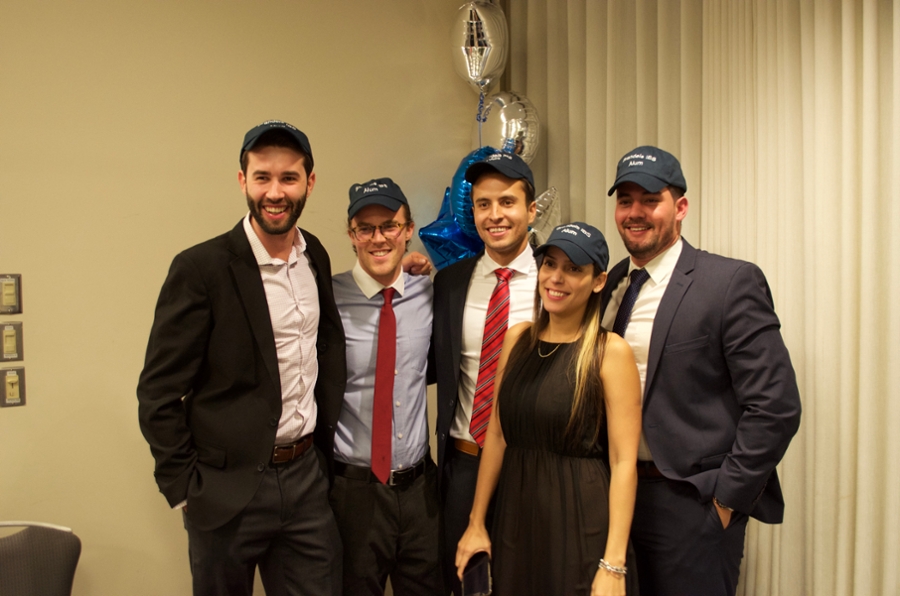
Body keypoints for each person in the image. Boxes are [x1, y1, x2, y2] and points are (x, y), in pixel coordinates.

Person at [601, 146, 802, 596]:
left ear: (681, 208)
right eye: (625, 200)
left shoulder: (728, 282)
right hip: (617, 500)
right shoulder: (610, 283)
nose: (635, 212)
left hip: (691, 506)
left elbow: (776, 406)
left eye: (650, 199)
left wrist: (726, 499)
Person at [455, 222, 642, 596]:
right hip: (516, 518)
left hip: (580, 524)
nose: (556, 278)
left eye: (574, 269)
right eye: (550, 264)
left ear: (598, 281)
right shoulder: (517, 339)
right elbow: (496, 433)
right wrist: (477, 522)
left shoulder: (610, 352)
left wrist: (614, 563)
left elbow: (624, 462)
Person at [329, 178, 443, 595]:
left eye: (389, 226)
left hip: (420, 494)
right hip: (353, 493)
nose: (378, 238)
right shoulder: (327, 299)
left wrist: (425, 267)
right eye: (366, 228)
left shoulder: (429, 294)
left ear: (408, 229)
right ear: (352, 235)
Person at [432, 152, 539, 595]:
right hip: (464, 464)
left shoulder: (558, 278)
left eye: (507, 202)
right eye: (483, 204)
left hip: (530, 467)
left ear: (531, 210)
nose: (495, 215)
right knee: (461, 584)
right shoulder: (451, 282)